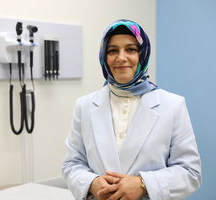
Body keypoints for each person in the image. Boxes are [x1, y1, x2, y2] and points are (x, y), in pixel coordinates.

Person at [62, 19, 201, 200]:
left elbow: (191, 172)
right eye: (113, 50)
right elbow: (72, 164)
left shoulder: (173, 105)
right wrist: (91, 182)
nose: (121, 57)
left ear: (142, 54)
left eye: (131, 49)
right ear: (104, 56)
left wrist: (143, 184)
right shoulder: (85, 105)